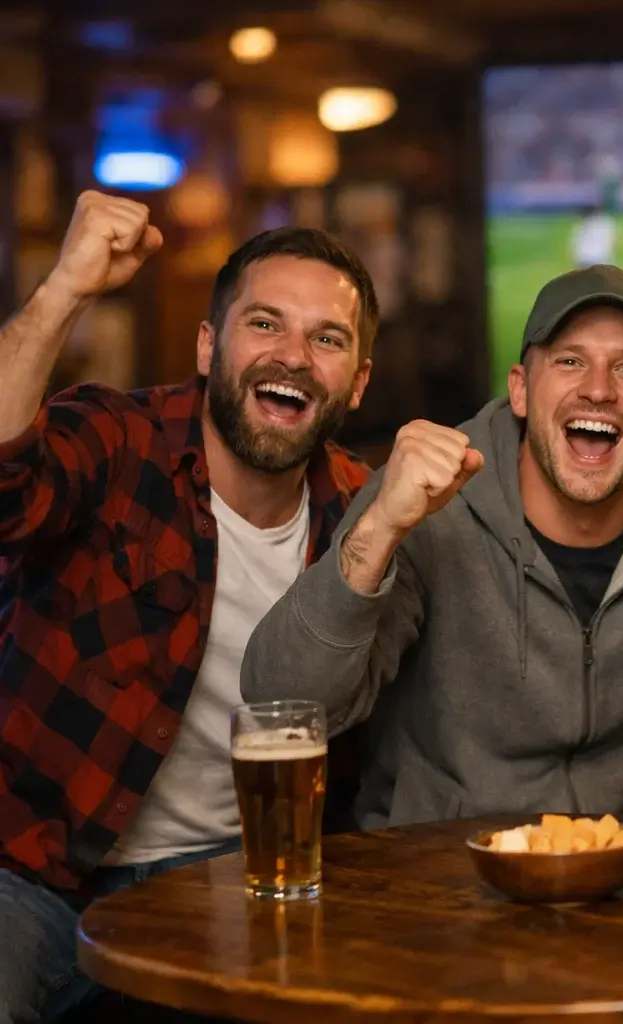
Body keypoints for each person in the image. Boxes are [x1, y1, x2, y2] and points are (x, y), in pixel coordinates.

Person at [0, 191, 379, 1021]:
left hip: (235, 883)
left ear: (357, 381)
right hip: (34, 877)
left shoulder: (363, 516)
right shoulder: (120, 440)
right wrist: (66, 286)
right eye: (265, 324)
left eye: (328, 339)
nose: (292, 357)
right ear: (210, 346)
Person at [242, 264, 623, 829]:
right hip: (440, 882)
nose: (597, 388)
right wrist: (379, 530)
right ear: (519, 389)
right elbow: (281, 701)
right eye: (569, 361)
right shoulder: (427, 504)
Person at [571, 204, 617, 270]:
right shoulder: (607, 222)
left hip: (583, 257)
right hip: (600, 257)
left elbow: (575, 243)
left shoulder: (583, 222)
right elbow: (612, 242)